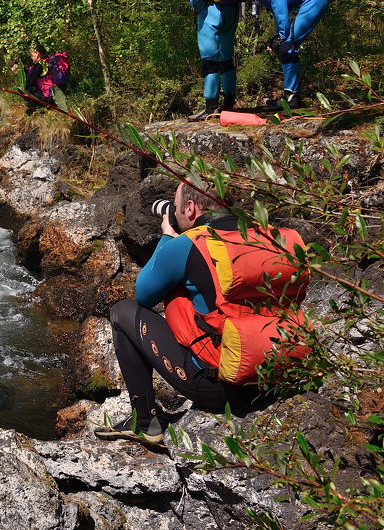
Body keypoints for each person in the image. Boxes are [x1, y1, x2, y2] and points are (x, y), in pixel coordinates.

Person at [96, 175, 308, 445]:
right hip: (278, 376)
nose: (174, 212)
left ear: (191, 208)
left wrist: (167, 239)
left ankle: (145, 421)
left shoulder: (191, 244)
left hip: (219, 387)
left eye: (175, 206)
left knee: (122, 312)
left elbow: (144, 295)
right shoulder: (272, 238)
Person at [250, 0, 329, 110]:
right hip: (311, 1)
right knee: (284, 44)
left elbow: (279, 7)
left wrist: (283, 36)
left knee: (286, 46)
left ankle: (292, 98)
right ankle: (291, 95)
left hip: (313, 1)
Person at [21, 43, 69, 108]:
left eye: (32, 55)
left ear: (37, 53)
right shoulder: (49, 61)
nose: (31, 58)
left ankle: (39, 106)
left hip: (48, 98)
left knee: (26, 88)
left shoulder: (39, 65)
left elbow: (28, 82)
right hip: (58, 94)